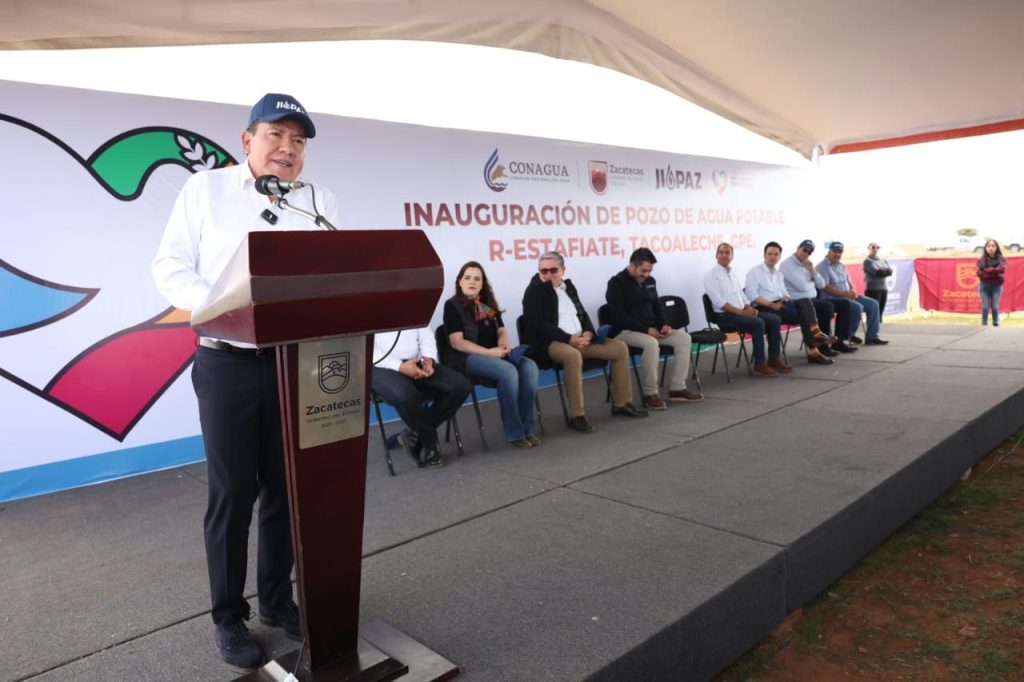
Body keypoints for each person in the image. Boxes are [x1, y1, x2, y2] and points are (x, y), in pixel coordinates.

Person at [152, 93, 339, 670]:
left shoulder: (318, 201)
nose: (287, 149)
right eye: (275, 135)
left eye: (298, 140)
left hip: (292, 362)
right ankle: (228, 616)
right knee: (233, 494)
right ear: (247, 140)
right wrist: (223, 307)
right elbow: (169, 266)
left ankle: (278, 601)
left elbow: (333, 271)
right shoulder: (205, 189)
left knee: (285, 489)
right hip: (228, 362)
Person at [521, 251, 648, 433]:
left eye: (553, 270)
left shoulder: (569, 287)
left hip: (579, 339)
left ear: (563, 269)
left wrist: (588, 332)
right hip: (551, 343)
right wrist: (569, 339)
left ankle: (622, 403)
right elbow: (538, 324)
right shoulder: (533, 291)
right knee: (572, 356)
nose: (548, 274)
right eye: (544, 271)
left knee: (619, 348)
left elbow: (582, 313)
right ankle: (577, 415)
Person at [444, 261, 541, 447]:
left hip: (494, 355)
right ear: (460, 281)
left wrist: (503, 341)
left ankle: (527, 429)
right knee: (508, 371)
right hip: (466, 359)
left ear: (482, 284)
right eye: (467, 278)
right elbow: (457, 342)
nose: (472, 282)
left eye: (477, 279)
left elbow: (501, 329)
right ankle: (515, 432)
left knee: (529, 367)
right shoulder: (452, 305)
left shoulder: (485, 304)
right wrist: (489, 353)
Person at [605, 247, 703, 410]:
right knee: (651, 343)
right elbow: (618, 316)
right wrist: (645, 330)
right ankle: (650, 394)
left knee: (684, 339)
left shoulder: (650, 281)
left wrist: (663, 325)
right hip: (624, 332)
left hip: (650, 330)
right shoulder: (616, 283)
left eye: (649, 271)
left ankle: (677, 388)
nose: (646, 274)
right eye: (643, 270)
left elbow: (657, 307)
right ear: (632, 265)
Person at [372, 327, 472, 467]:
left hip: (416, 360)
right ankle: (430, 443)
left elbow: (425, 335)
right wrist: (400, 366)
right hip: (382, 367)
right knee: (405, 396)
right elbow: (366, 348)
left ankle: (413, 435)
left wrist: (428, 358)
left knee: (461, 386)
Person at [703, 242, 791, 377]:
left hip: (741, 312)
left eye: (727, 253)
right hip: (724, 316)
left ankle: (774, 359)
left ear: (732, 256)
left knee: (774, 319)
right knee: (758, 323)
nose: (724, 255)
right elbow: (718, 302)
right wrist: (741, 312)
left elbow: (741, 294)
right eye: (721, 252)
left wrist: (749, 307)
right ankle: (759, 364)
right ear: (716, 255)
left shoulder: (732, 273)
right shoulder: (711, 276)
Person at [746, 241, 836, 365]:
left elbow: (784, 292)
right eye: (770, 254)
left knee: (805, 304)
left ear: (779, 257)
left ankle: (816, 336)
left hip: (780, 304)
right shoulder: (754, 272)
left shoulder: (778, 274)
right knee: (804, 313)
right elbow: (751, 295)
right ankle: (814, 345)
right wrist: (771, 304)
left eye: (776, 254)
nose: (773, 257)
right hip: (764, 306)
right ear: (764, 255)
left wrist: (786, 299)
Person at [817, 241, 889, 346]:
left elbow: (849, 282)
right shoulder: (822, 266)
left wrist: (853, 291)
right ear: (829, 252)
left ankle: (872, 337)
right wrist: (843, 294)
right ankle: (845, 337)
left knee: (873, 304)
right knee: (857, 306)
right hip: (832, 298)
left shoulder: (841, 266)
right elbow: (824, 287)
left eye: (840, 252)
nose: (837, 254)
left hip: (847, 296)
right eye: (835, 251)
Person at [976, 238, 1007, 326]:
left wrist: (987, 270)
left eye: (993, 246)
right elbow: (979, 273)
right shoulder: (981, 259)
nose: (991, 248)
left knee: (995, 306)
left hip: (996, 286)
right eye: (989, 246)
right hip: (984, 286)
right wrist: (994, 271)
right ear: (985, 248)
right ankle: (984, 323)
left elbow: (1002, 270)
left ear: (997, 247)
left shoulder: (1002, 259)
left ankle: (995, 323)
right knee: (985, 306)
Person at [862, 242, 893, 322]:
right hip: (873, 290)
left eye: (877, 247)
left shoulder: (883, 260)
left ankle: (880, 326)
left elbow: (890, 271)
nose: (875, 249)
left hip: (883, 288)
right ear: (869, 249)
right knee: (873, 313)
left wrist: (883, 271)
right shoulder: (867, 261)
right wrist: (884, 271)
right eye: (873, 247)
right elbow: (877, 272)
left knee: (880, 311)